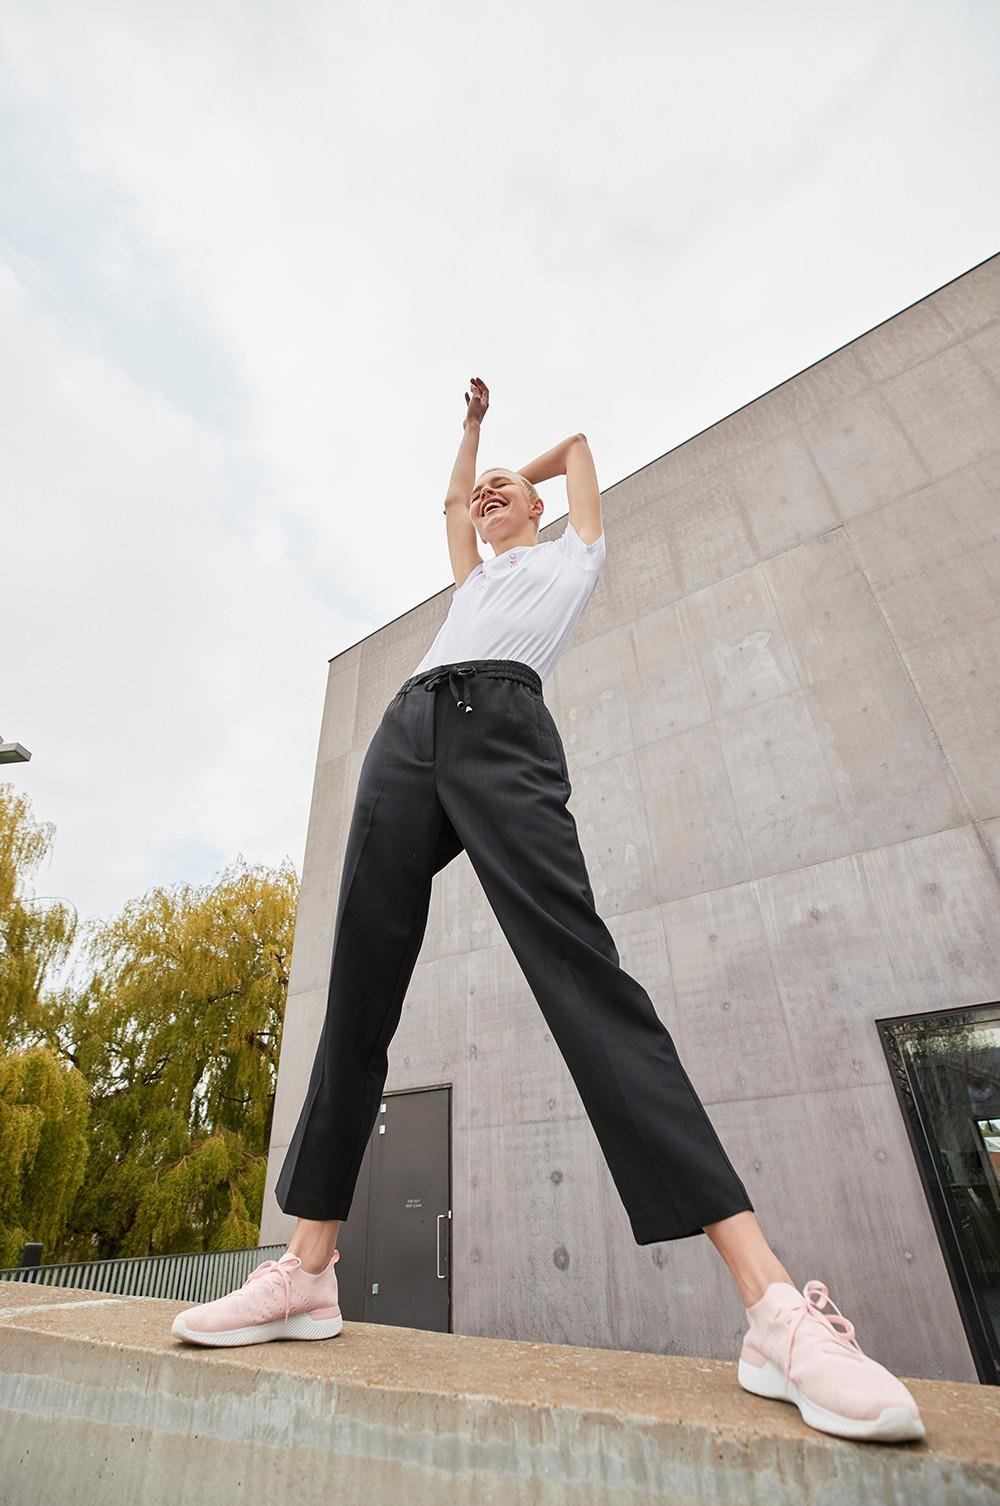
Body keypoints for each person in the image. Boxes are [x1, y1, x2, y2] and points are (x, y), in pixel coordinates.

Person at [172, 378, 925, 1445]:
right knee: (356, 998)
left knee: (585, 979)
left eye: (498, 499)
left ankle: (770, 1312)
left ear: (535, 511)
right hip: (407, 735)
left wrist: (510, 474)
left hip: (503, 730)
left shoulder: (575, 554)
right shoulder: (472, 575)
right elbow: (447, 514)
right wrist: (469, 448)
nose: (482, 504)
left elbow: (575, 446)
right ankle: (305, 1271)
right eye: (478, 502)